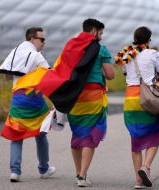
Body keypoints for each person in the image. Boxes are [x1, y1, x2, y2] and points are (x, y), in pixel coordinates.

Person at [0, 27, 55, 182]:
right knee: (41, 133)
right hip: (34, 100)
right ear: (32, 39)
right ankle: (44, 169)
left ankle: (15, 172)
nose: (44, 42)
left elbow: (7, 77)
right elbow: (50, 79)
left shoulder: (15, 52)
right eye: (41, 39)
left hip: (18, 99)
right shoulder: (37, 56)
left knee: (16, 135)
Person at [115, 26, 159, 189]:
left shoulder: (126, 55)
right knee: (156, 134)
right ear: (148, 40)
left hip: (131, 99)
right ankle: (146, 166)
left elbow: (125, 73)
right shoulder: (152, 54)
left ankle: (138, 179)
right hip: (148, 98)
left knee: (136, 138)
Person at [66, 18, 115, 187]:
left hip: (75, 96)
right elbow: (110, 75)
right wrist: (102, 68)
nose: (101, 37)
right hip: (93, 96)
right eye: (100, 33)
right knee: (90, 134)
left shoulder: (72, 47)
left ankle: (79, 173)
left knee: (78, 133)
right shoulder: (101, 49)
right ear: (94, 31)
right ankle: (82, 175)